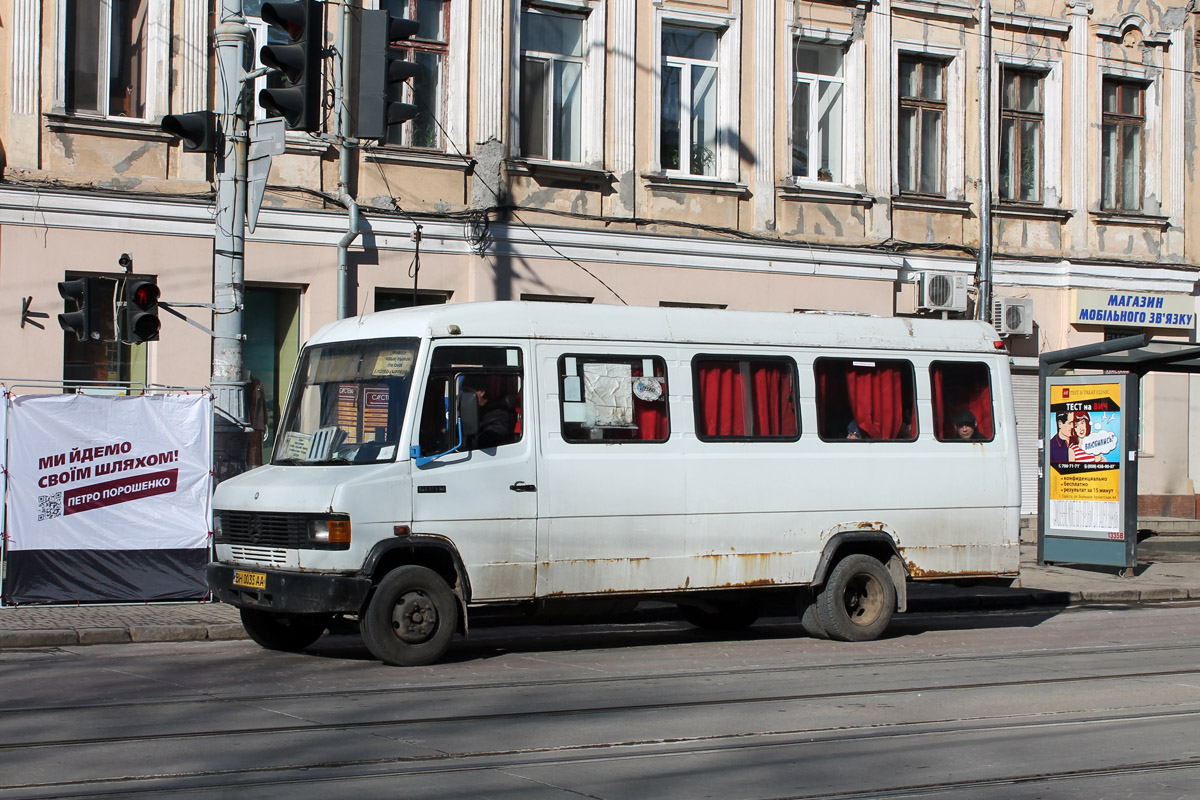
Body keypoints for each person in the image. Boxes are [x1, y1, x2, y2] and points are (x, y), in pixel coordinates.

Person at [461, 375, 516, 450]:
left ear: (481, 392)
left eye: (467, 392)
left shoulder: (499, 415)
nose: (464, 397)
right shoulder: (475, 411)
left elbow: (484, 442)